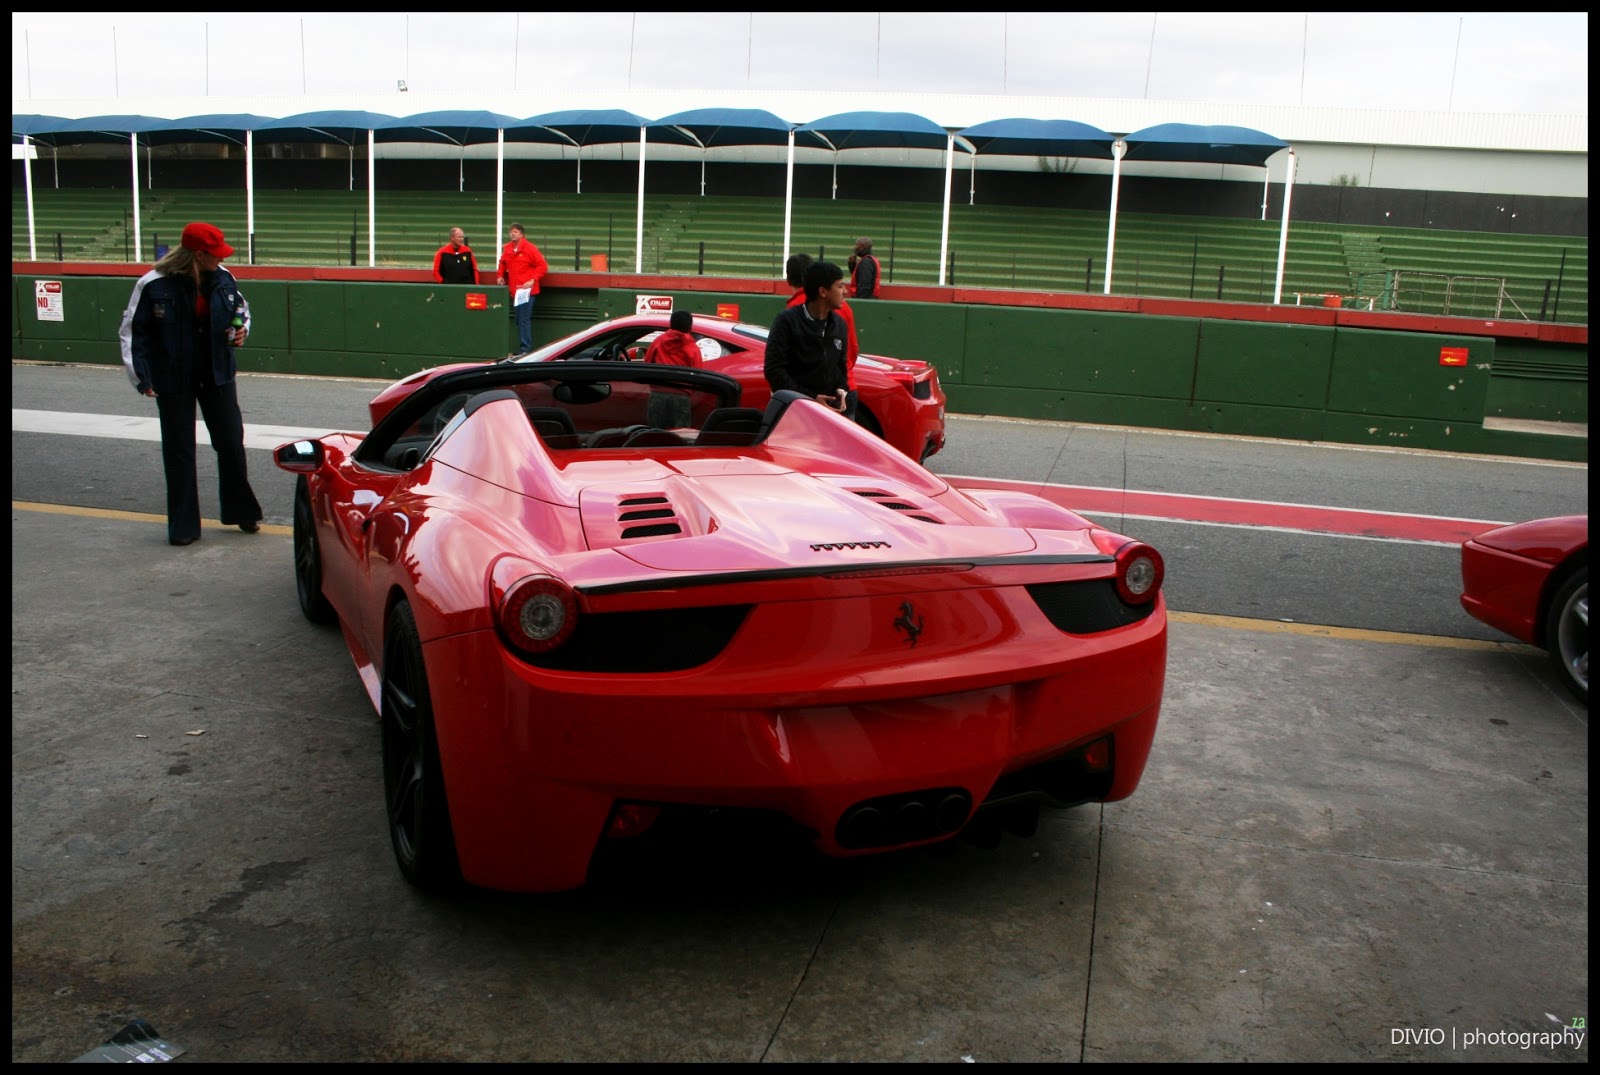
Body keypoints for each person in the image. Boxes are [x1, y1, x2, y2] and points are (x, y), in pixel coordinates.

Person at [118, 222, 263, 547]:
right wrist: (141, 377)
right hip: (173, 376)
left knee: (230, 442)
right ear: (198, 255)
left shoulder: (224, 278)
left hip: (218, 373)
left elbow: (242, 310)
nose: (222, 259)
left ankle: (242, 510)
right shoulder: (152, 284)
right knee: (179, 451)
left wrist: (242, 331)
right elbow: (132, 331)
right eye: (215, 254)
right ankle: (183, 525)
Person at [764, 260, 852, 416]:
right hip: (793, 414)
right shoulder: (787, 321)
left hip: (828, 415)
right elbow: (774, 371)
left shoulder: (839, 325)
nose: (845, 291)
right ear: (823, 292)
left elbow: (841, 367)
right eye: (840, 286)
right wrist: (811, 399)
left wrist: (841, 390)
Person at [785, 253, 861, 420]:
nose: (844, 291)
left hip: (812, 395)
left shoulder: (793, 312)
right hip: (845, 388)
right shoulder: (842, 306)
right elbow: (852, 351)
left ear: (789, 279)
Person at [496, 222, 548, 356]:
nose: (513, 233)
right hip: (516, 290)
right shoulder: (507, 249)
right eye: (511, 231)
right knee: (519, 319)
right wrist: (500, 275)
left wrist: (532, 279)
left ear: (522, 234)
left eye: (516, 231)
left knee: (523, 318)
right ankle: (524, 347)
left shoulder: (530, 249)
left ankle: (525, 348)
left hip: (527, 291)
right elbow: (502, 263)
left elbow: (542, 266)